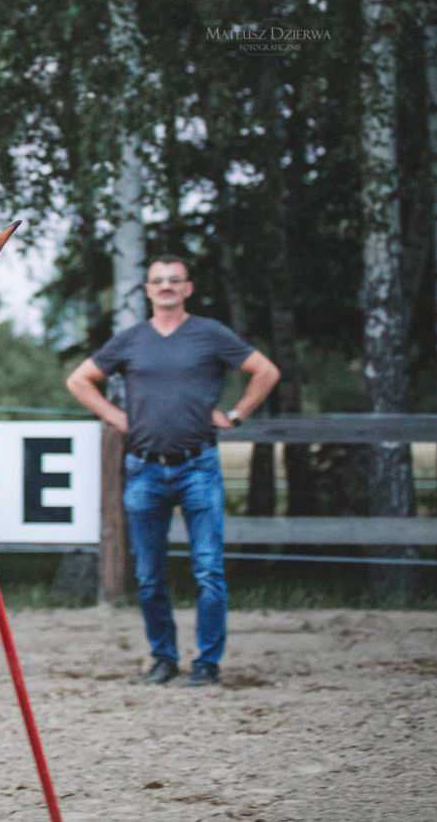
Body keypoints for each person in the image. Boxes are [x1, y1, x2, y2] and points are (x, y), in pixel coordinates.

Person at [65, 254, 281, 687]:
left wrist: (236, 414)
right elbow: (79, 380)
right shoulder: (131, 340)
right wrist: (116, 416)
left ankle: (207, 663)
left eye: (174, 280)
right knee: (148, 576)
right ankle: (163, 658)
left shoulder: (210, 334)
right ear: (147, 290)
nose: (166, 287)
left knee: (208, 571)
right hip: (144, 469)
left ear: (188, 288)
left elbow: (266, 371)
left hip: (198, 466)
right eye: (158, 281)